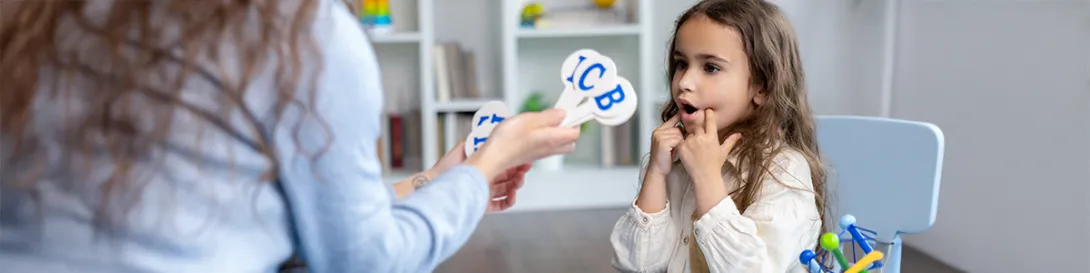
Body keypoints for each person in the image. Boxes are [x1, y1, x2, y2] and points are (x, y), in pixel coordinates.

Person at [0, 0, 580, 272]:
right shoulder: (306, 33)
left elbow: (258, 215)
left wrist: (439, 179)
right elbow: (362, 261)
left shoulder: (42, 16)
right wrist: (486, 169)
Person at [609, 0, 830, 272]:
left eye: (710, 68)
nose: (684, 82)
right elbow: (635, 265)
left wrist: (706, 177)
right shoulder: (674, 162)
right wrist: (655, 174)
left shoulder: (784, 170)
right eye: (681, 64)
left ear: (760, 86)